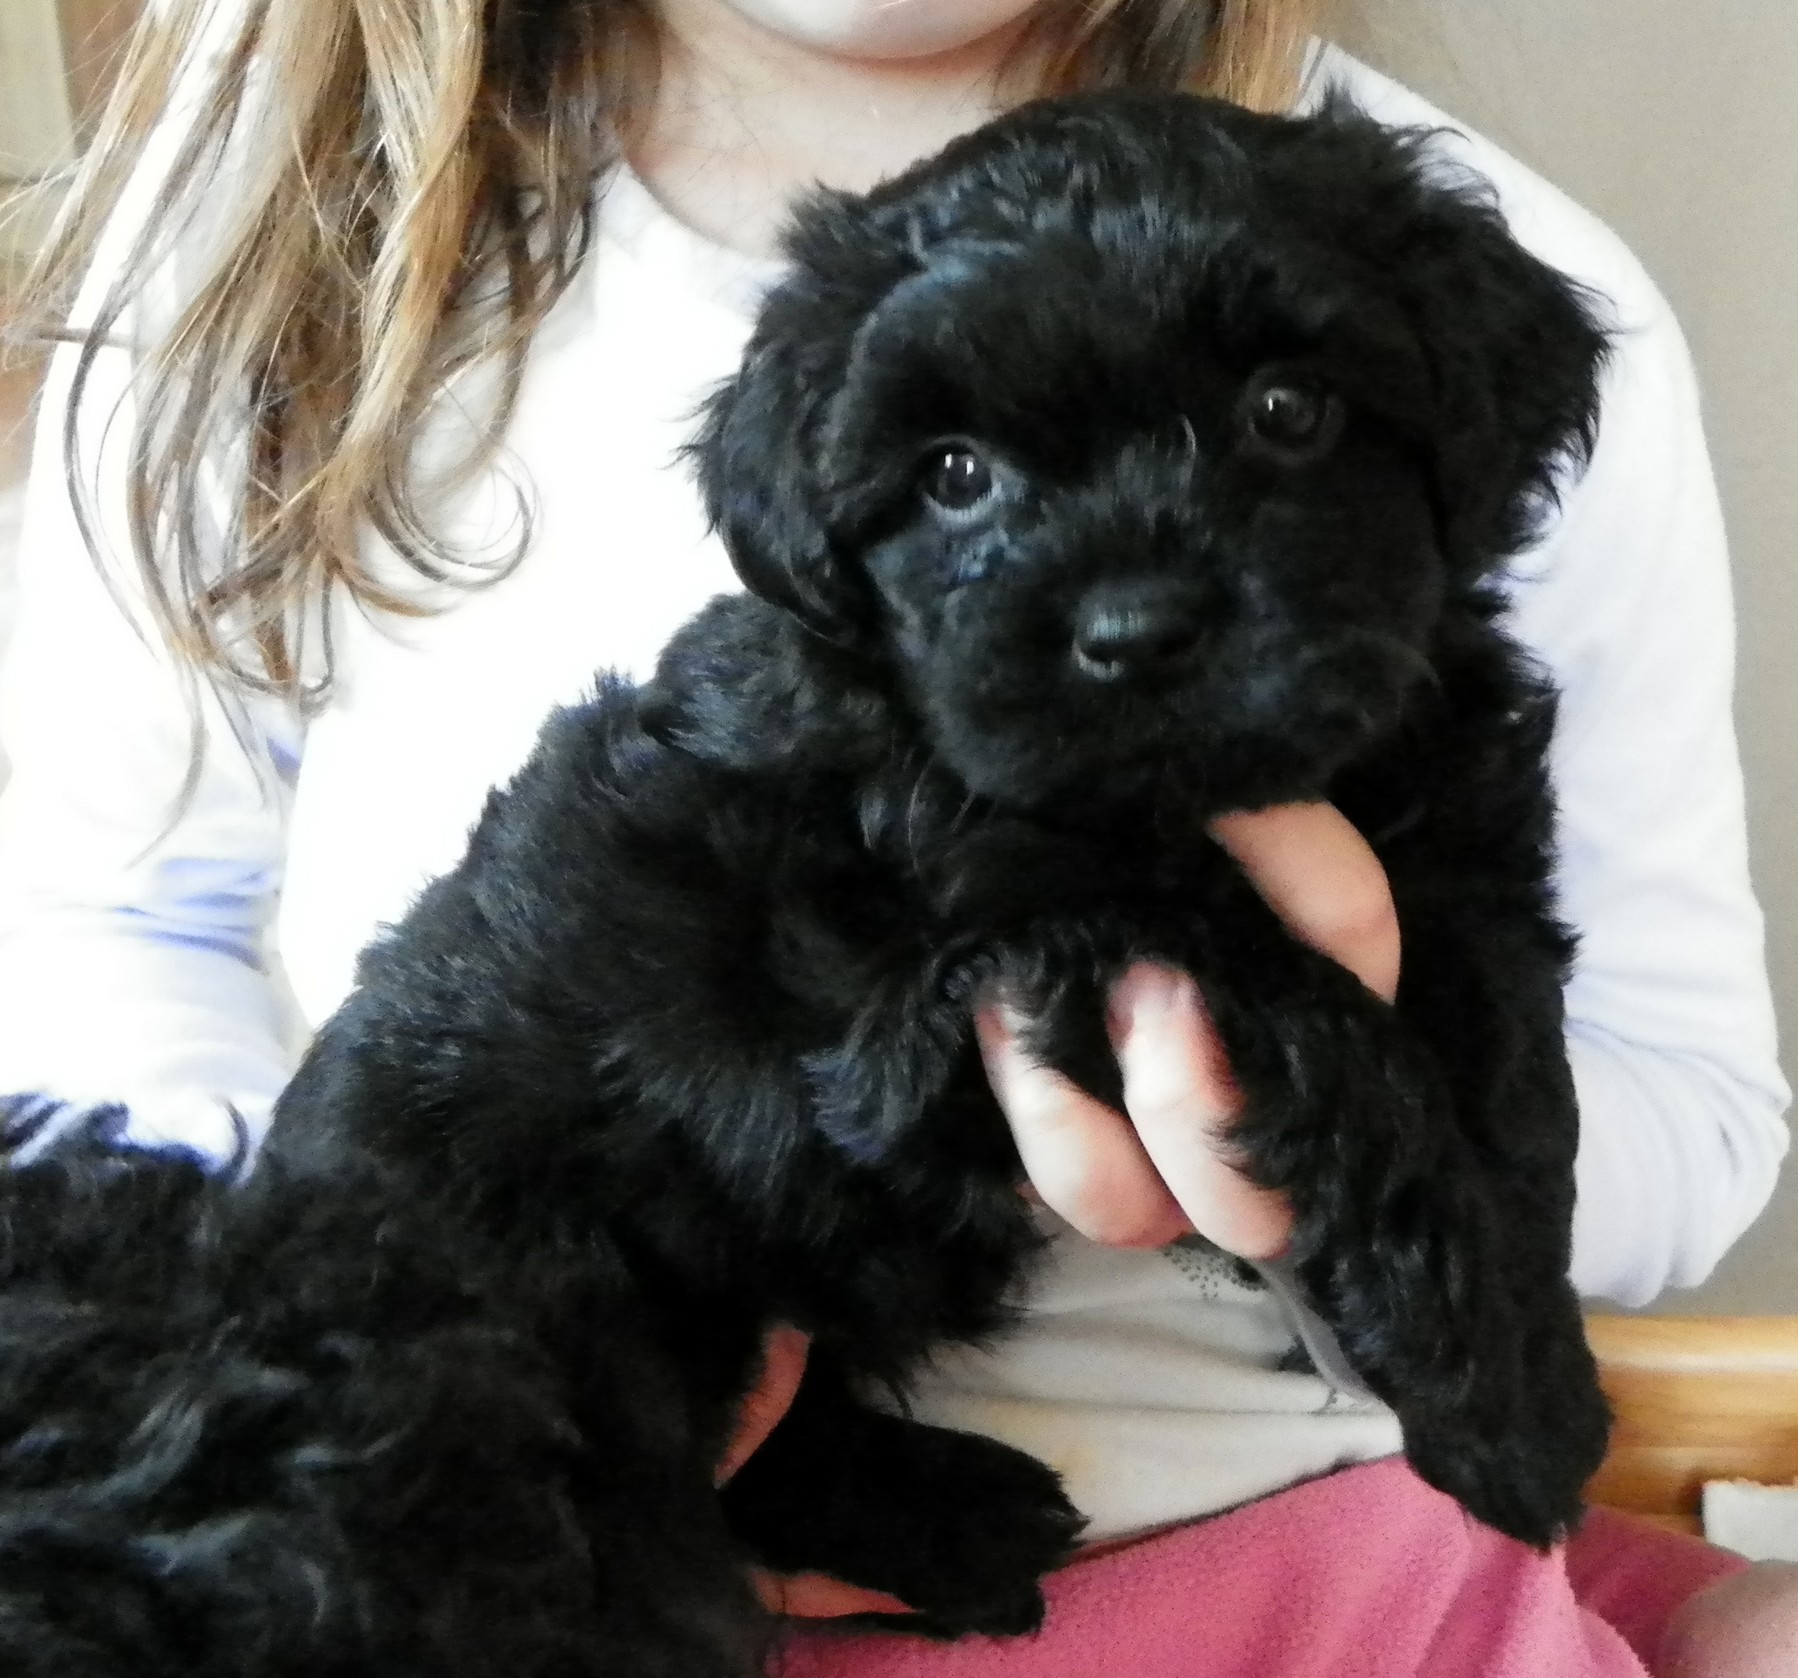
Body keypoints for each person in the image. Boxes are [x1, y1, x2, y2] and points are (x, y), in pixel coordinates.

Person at [1, 0, 1792, 1671]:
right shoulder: (257, 248)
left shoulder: (1470, 253)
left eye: (1280, 419)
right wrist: (348, 1398)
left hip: (1344, 1546)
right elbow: (103, 921)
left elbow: (1669, 1087)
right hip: (497, 1470)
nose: (1128, 604)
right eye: (957, 482)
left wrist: (1382, 1155)